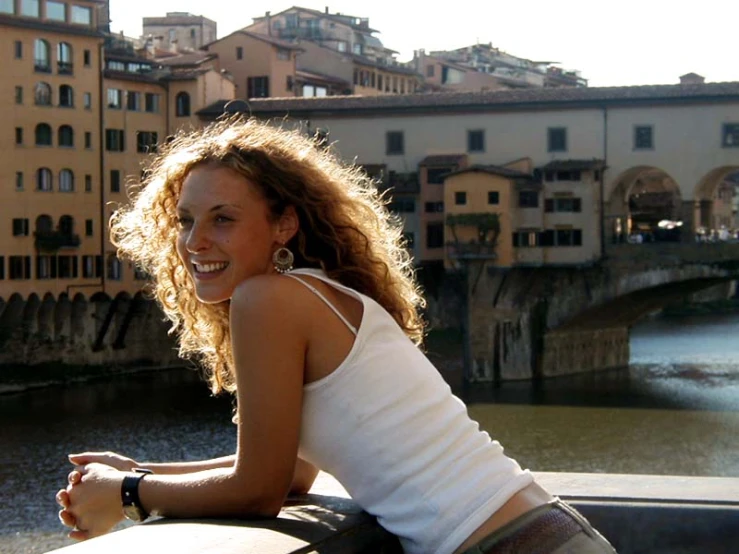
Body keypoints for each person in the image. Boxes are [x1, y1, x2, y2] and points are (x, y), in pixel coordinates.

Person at [55, 117, 617, 554]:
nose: (194, 241)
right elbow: (291, 473)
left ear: (284, 225)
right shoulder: (322, 295)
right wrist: (133, 472)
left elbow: (260, 490)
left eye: (222, 219)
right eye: (184, 220)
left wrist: (126, 495)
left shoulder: (267, 299)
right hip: (546, 532)